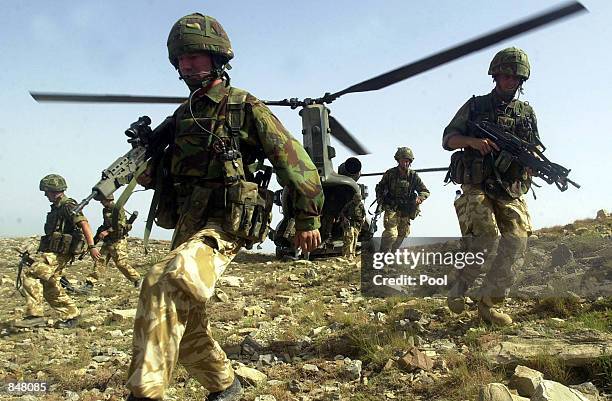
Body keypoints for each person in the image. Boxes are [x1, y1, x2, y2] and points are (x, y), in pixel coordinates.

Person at [125, 13, 324, 401]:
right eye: (181, 58)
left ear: (217, 58)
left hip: (228, 221)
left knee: (164, 281)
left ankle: (143, 394)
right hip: (189, 221)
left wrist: (307, 217)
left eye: (196, 56)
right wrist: (151, 174)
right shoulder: (182, 116)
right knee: (183, 316)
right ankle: (224, 385)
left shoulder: (244, 106)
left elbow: (294, 161)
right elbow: (172, 169)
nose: (186, 64)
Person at [442, 47, 537, 326]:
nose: (510, 81)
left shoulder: (526, 113)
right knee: (486, 238)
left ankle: (490, 305)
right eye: (505, 75)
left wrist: (532, 163)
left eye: (515, 77)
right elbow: (448, 139)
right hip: (478, 183)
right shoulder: (475, 106)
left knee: (517, 243)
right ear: (495, 75)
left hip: (510, 187)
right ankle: (460, 285)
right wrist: (472, 142)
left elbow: (533, 146)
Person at [18, 174, 100, 329]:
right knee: (50, 287)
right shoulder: (57, 207)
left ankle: (34, 315)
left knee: (30, 275)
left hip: (58, 255)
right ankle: (72, 316)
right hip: (53, 253)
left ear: (53, 190)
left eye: (46, 191)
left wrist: (92, 246)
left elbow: (84, 224)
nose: (45, 194)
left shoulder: (68, 205)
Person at [375, 147, 430, 252]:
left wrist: (420, 198)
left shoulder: (413, 176)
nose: (406, 163)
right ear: (398, 160)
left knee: (403, 234)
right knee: (391, 234)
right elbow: (380, 187)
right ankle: (383, 258)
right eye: (404, 160)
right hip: (392, 208)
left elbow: (425, 191)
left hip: (406, 210)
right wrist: (381, 201)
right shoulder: (390, 174)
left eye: (408, 161)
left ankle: (392, 254)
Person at [85, 194, 141, 290]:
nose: (101, 202)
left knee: (121, 263)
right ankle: (90, 284)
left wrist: (107, 231)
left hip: (118, 240)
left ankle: (137, 279)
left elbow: (121, 224)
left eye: (102, 200)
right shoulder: (105, 210)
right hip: (108, 240)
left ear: (108, 199)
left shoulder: (118, 209)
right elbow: (105, 223)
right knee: (100, 261)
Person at [339, 192, 365, 260]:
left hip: (357, 224)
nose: (358, 202)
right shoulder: (349, 204)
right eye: (357, 200)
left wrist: (363, 219)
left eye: (359, 200)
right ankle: (349, 254)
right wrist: (345, 219)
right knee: (350, 238)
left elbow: (363, 213)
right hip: (350, 222)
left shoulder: (361, 205)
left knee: (355, 239)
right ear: (354, 199)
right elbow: (342, 212)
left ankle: (352, 253)